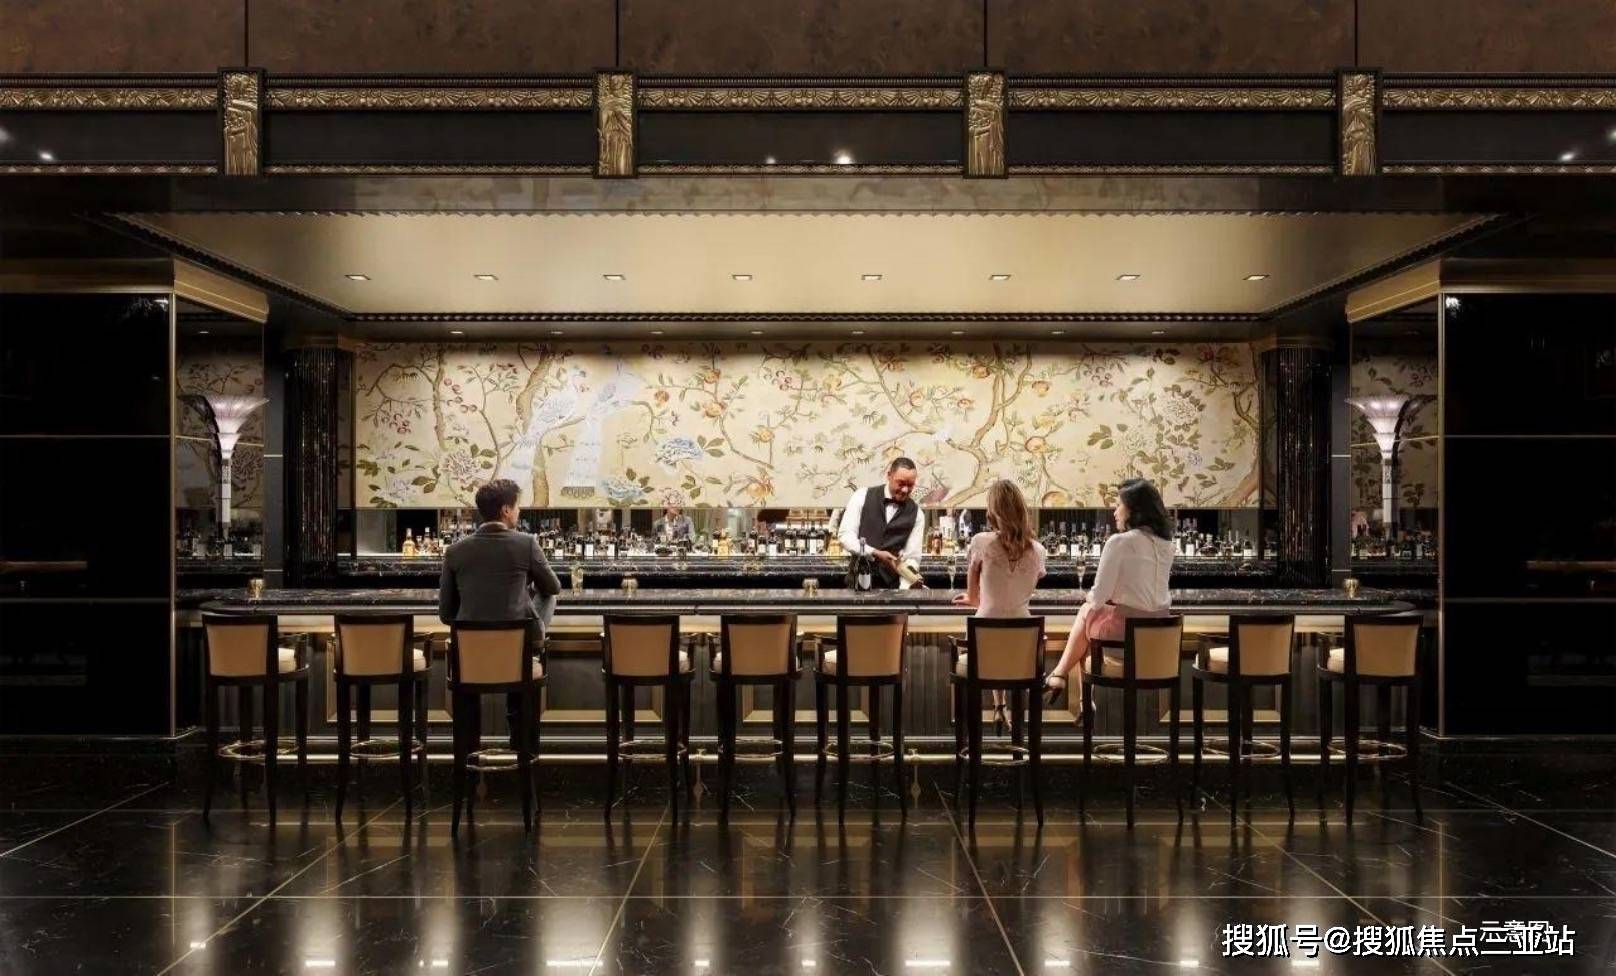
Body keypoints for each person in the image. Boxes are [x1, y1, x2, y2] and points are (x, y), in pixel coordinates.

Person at [439, 478, 561, 747]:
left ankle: (467, 752)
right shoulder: (526, 544)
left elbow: (446, 614)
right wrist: (525, 589)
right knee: (542, 602)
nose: (519, 511)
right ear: (506, 510)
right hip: (517, 654)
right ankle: (522, 745)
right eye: (517, 506)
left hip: (469, 659)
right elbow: (553, 588)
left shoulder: (455, 551)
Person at [1044, 478, 1176, 703]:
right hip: (1159, 643)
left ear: (1134, 509)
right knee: (1092, 624)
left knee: (1088, 611)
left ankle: (1061, 676)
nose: (1115, 512)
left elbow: (1098, 597)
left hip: (1125, 642)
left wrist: (1090, 597)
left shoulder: (1120, 542)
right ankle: (1079, 696)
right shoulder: (1167, 545)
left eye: (1118, 505)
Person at [951, 479, 1046, 731]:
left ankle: (997, 708)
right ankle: (1003, 708)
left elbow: (975, 598)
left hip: (985, 647)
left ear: (992, 511)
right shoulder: (1039, 551)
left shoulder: (981, 542)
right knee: (1006, 633)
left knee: (990, 626)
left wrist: (973, 599)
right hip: (1024, 650)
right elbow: (1020, 592)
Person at [836, 457, 927, 589]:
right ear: (889, 475)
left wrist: (904, 590)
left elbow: (912, 558)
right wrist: (873, 552)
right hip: (857, 585)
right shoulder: (861, 496)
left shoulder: (917, 514)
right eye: (901, 483)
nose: (905, 490)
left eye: (910, 485)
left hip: (892, 589)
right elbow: (845, 536)